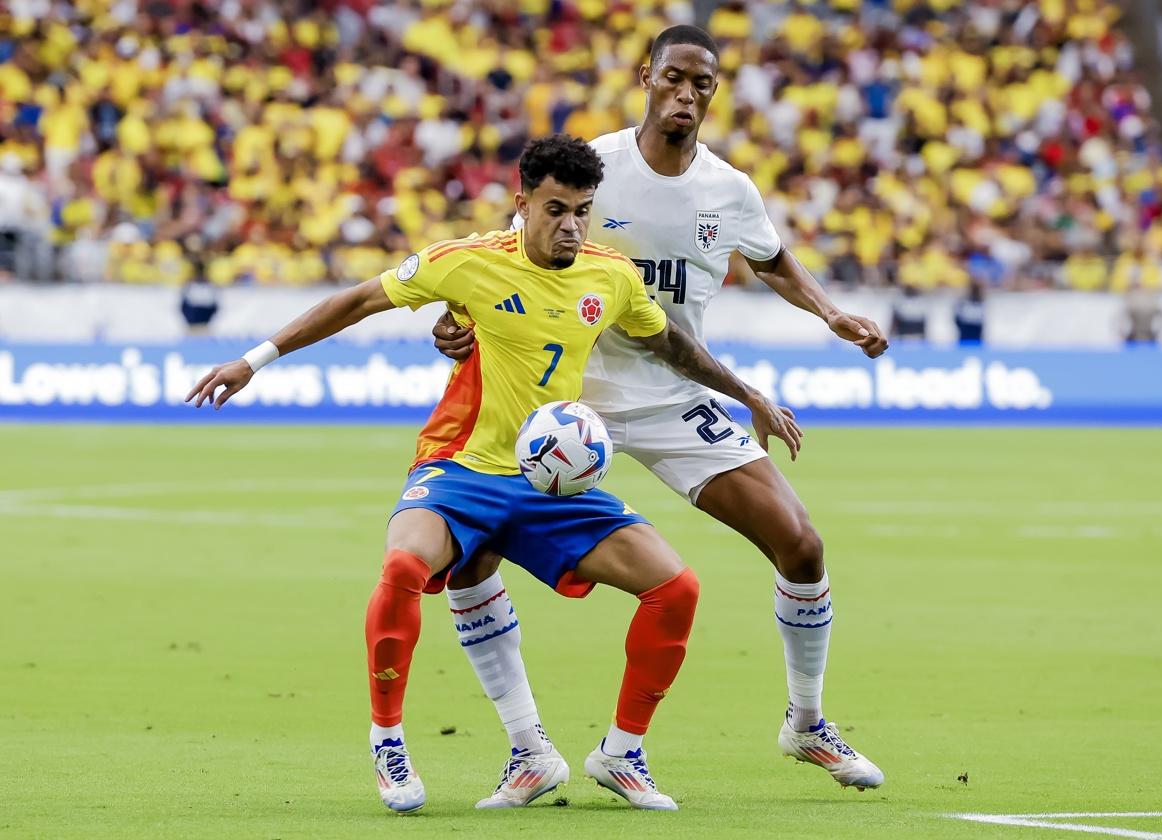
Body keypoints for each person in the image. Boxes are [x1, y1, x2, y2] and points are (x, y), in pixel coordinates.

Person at [185, 135, 800, 813]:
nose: (570, 225)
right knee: (401, 571)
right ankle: (388, 739)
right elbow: (361, 300)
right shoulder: (467, 262)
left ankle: (620, 752)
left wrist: (750, 397)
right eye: (556, 209)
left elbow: (674, 346)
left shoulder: (612, 275)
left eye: (583, 212)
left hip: (550, 481)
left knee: (676, 588)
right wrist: (255, 359)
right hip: (462, 468)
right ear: (523, 204)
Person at [431, 25, 889, 807]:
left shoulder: (729, 190)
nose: (685, 94)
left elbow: (773, 260)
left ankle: (804, 723)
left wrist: (830, 311)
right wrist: (457, 324)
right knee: (469, 558)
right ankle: (527, 748)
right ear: (646, 77)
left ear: (714, 93)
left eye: (701, 84)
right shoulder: (594, 170)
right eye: (673, 78)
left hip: (677, 397)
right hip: (565, 403)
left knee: (801, 543)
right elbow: (511, 254)